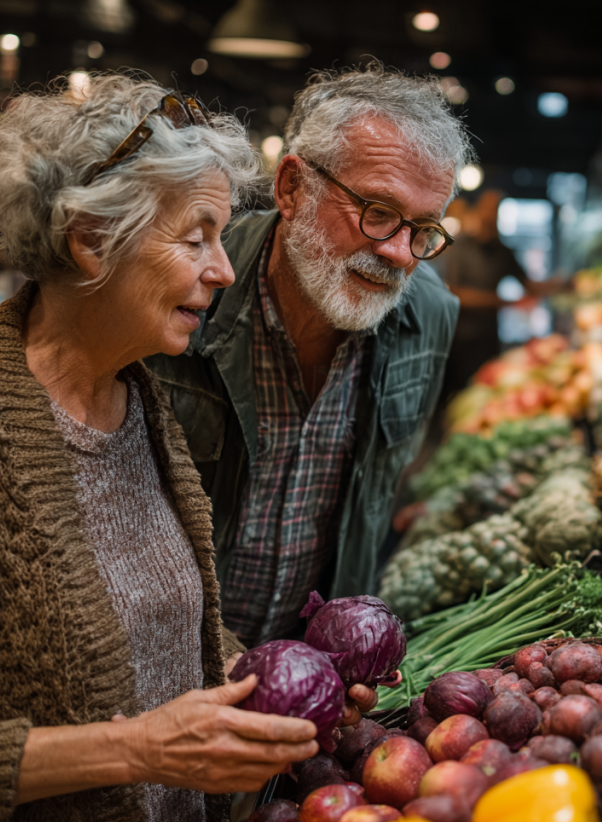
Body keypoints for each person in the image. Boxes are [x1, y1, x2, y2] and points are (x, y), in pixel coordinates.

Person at [0, 73, 372, 822]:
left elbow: (162, 633)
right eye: (197, 236)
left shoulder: (141, 403)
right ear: (91, 240)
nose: (222, 269)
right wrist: (132, 749)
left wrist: (285, 686)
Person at [148, 64, 473, 647]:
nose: (401, 254)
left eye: (424, 229)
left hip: (313, 684)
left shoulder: (431, 316)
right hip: (168, 673)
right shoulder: (187, 295)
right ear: (292, 188)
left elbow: (375, 499)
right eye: (377, 212)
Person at [440, 190, 554, 395]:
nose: (491, 215)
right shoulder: (461, 246)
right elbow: (456, 294)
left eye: (495, 210)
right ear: (478, 210)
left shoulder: (503, 251)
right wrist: (505, 303)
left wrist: (561, 284)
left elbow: (530, 285)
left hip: (489, 338)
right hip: (458, 338)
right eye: (488, 209)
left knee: (485, 391)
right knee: (455, 395)